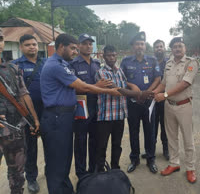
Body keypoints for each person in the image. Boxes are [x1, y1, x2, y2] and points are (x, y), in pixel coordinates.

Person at [40, 33, 121, 194]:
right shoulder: (57, 65)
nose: (75, 52)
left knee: (64, 158)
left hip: (68, 115)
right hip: (57, 117)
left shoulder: (64, 63)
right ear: (61, 46)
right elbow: (82, 87)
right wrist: (109, 91)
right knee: (58, 159)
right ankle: (61, 188)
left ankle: (67, 188)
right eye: (73, 48)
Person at [95, 45, 152, 171]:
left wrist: (134, 88)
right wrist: (140, 94)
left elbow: (125, 84)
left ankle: (115, 169)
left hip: (119, 115)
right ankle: (100, 172)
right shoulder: (101, 73)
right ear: (103, 57)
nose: (112, 58)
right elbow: (117, 90)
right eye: (109, 55)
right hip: (106, 115)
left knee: (117, 145)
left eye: (114, 55)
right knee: (102, 146)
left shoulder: (119, 71)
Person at [0, 28, 40, 194]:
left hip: (14, 130)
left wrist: (34, 119)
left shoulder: (12, 69)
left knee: (17, 174)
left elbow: (24, 95)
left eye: (0, 38)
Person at [154, 37, 199, 183]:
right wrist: (153, 93)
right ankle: (174, 164)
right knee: (171, 136)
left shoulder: (191, 62)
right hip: (169, 106)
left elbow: (185, 83)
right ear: (171, 49)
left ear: (185, 48)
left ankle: (190, 168)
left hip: (184, 105)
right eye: (174, 47)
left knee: (187, 138)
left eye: (180, 46)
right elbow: (164, 83)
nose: (177, 49)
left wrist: (165, 95)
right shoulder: (169, 63)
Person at [120, 31, 161, 174]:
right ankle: (134, 159)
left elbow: (157, 79)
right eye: (137, 44)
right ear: (133, 46)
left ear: (145, 46)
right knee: (133, 131)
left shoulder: (152, 60)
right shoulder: (125, 61)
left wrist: (146, 92)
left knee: (150, 132)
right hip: (132, 103)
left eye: (142, 44)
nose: (140, 46)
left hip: (148, 102)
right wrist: (133, 87)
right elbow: (122, 80)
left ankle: (151, 159)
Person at [11, 34, 45, 193]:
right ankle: (31, 178)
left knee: (51, 144)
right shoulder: (15, 66)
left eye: (34, 44)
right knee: (30, 147)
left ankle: (51, 171)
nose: (32, 47)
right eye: (27, 45)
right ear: (21, 47)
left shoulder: (46, 62)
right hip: (26, 114)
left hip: (47, 111)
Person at [69, 33, 100, 178]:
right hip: (81, 107)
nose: (88, 46)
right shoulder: (73, 65)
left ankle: (93, 170)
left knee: (95, 139)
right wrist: (96, 86)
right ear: (79, 46)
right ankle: (81, 174)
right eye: (85, 43)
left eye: (90, 43)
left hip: (97, 106)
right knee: (80, 141)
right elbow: (73, 87)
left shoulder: (97, 64)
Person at [142, 39, 169, 160]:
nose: (159, 48)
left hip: (165, 98)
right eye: (157, 47)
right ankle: (150, 151)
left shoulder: (169, 63)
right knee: (151, 127)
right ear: (153, 49)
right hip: (151, 99)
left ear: (164, 48)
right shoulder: (149, 62)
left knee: (165, 126)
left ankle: (166, 150)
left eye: (161, 46)